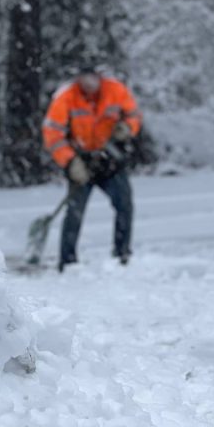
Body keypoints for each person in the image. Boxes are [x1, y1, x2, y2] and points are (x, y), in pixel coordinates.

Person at [42, 63, 142, 271]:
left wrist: (127, 128)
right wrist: (70, 162)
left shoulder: (116, 90)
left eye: (93, 77)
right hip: (80, 162)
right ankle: (67, 262)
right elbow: (52, 135)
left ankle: (122, 254)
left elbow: (133, 115)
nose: (89, 83)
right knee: (75, 212)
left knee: (124, 204)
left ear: (100, 77)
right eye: (84, 77)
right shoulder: (65, 97)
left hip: (111, 160)